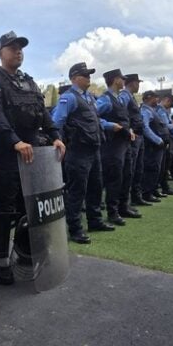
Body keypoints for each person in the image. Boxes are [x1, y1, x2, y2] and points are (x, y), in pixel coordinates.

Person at [0, 31, 65, 286]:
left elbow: (43, 113)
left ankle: (28, 253)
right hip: (5, 154)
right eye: (12, 47)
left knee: (30, 208)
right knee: (3, 211)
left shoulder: (29, 82)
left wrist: (55, 135)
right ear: (0, 53)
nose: (18, 51)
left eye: (20, 48)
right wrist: (15, 141)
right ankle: (1, 260)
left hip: (32, 155)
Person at [52, 63, 115, 244]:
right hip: (78, 151)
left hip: (93, 149)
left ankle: (95, 221)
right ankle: (75, 229)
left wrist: (111, 126)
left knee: (95, 187)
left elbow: (96, 121)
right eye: (85, 75)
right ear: (74, 78)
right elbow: (57, 121)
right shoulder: (68, 98)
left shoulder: (89, 98)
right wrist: (58, 141)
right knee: (76, 191)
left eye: (89, 75)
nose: (89, 78)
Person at [96, 69, 134, 225]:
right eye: (121, 78)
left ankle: (123, 207)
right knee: (114, 179)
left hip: (124, 143)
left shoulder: (117, 98)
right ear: (114, 80)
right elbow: (93, 116)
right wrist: (108, 125)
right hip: (112, 145)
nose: (123, 81)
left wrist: (129, 129)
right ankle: (112, 212)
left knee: (126, 175)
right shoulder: (105, 99)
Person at [118, 74, 144, 218]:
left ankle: (130, 200)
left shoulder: (130, 96)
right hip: (131, 137)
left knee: (135, 170)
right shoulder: (125, 96)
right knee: (128, 171)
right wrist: (128, 128)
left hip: (137, 137)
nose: (138, 85)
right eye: (137, 82)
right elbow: (121, 112)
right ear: (132, 83)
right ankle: (123, 204)